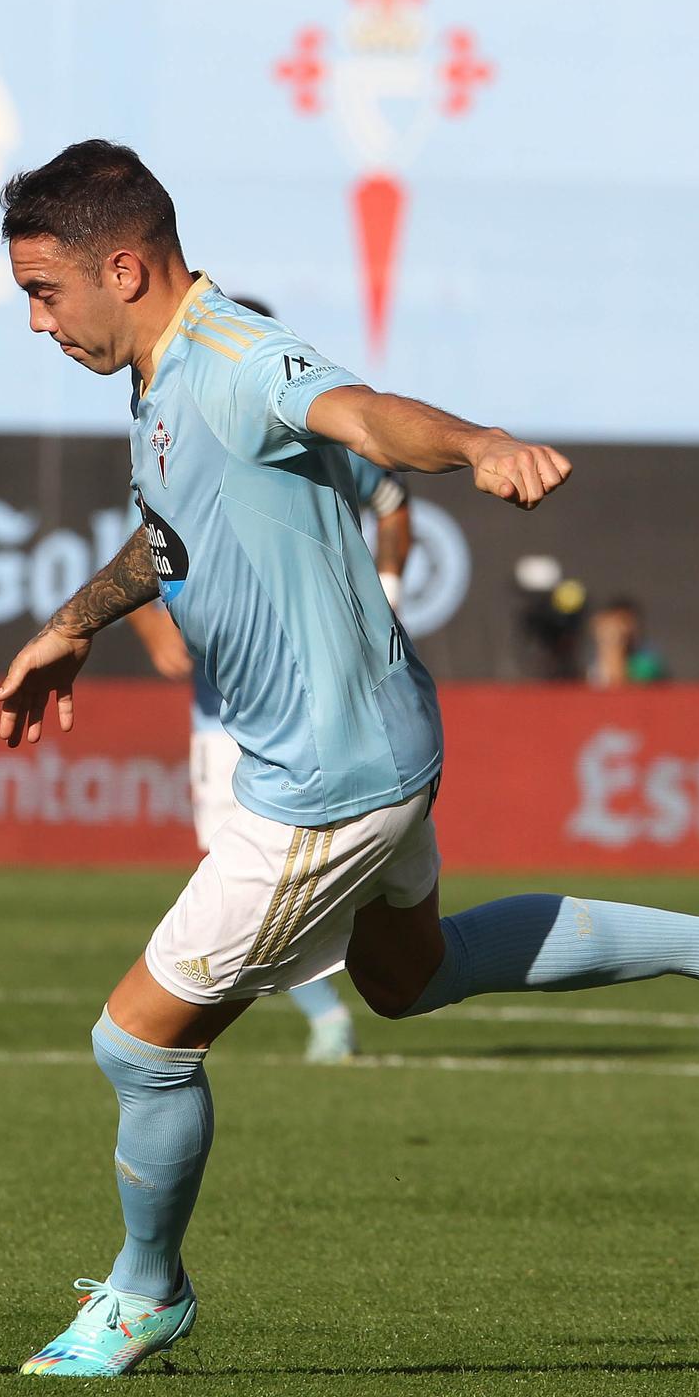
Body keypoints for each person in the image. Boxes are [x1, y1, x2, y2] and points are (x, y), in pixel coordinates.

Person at [0, 140, 699, 1379]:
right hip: (379, 744)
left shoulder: (235, 358)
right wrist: (72, 626)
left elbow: (364, 413)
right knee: (409, 976)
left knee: (139, 1044)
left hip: (323, 783)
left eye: (45, 293)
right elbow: (171, 540)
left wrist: (480, 442)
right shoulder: (159, 380)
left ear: (124, 265)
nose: (38, 322)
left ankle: (145, 1292)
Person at [128, 297, 413, 1064]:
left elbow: (393, 494)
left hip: (312, 725)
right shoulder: (173, 432)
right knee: (415, 968)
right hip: (228, 715)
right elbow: (156, 553)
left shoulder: (298, 427)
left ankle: (324, 1017)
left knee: (141, 1037)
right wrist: (144, 625)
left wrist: (388, 583)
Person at [588, 595, 668, 687]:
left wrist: (614, 652)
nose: (620, 630)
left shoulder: (647, 663)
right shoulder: (587, 664)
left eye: (626, 623)